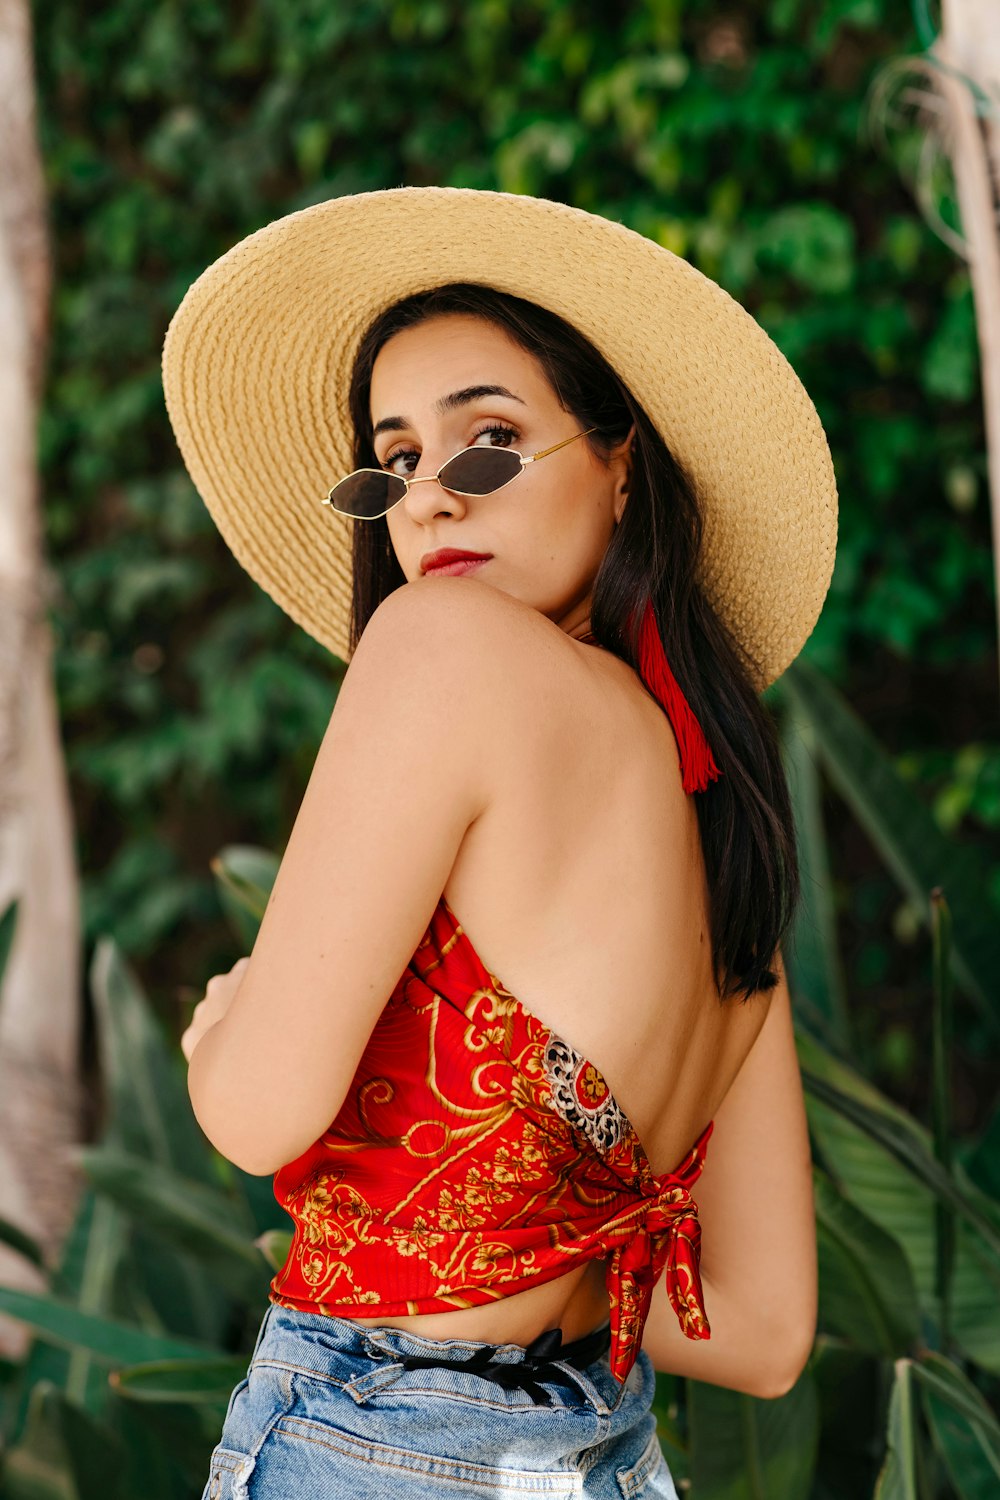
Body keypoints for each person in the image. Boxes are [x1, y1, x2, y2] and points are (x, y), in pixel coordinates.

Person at [163, 186, 836, 1499]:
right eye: (393, 461)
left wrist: (216, 1037)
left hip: (375, 1440)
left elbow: (255, 1114)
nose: (429, 499)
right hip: (600, 1453)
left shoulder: (442, 648)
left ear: (621, 457)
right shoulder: (725, 825)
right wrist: (529, 1258)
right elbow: (760, 1332)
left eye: (488, 442)